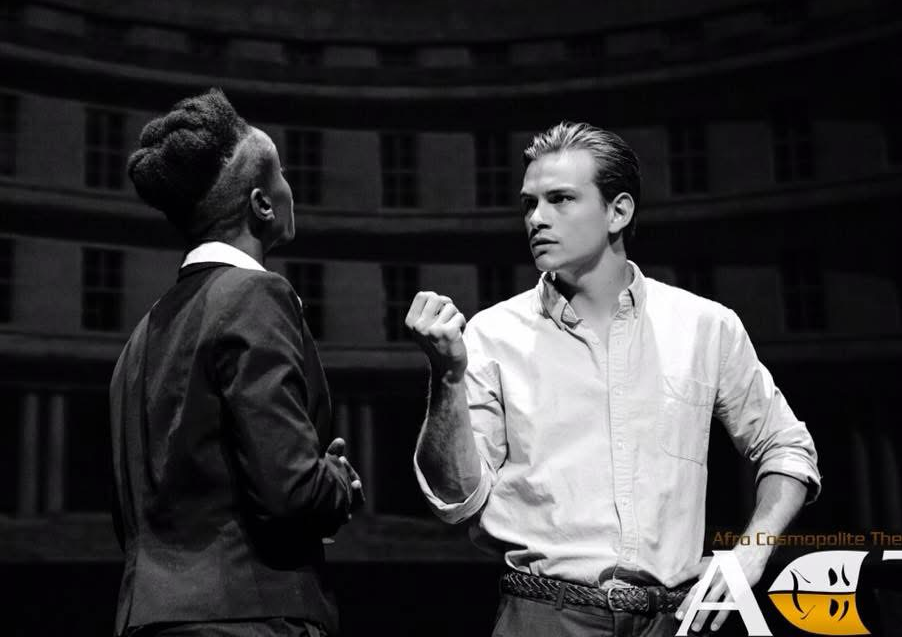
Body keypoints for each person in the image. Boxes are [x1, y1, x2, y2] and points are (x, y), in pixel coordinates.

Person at [406, 122, 821, 636]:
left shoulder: (704, 326)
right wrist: (447, 375)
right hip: (545, 615)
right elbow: (454, 500)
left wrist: (750, 555)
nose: (536, 219)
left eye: (560, 200)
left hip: (675, 618)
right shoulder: (492, 334)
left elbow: (786, 447)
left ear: (618, 211)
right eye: (529, 204)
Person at [110, 89, 362, 637]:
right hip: (251, 617)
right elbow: (289, 493)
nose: (292, 187)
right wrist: (338, 482)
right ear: (261, 204)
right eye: (284, 174)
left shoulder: (138, 340)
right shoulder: (255, 296)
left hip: (146, 619)